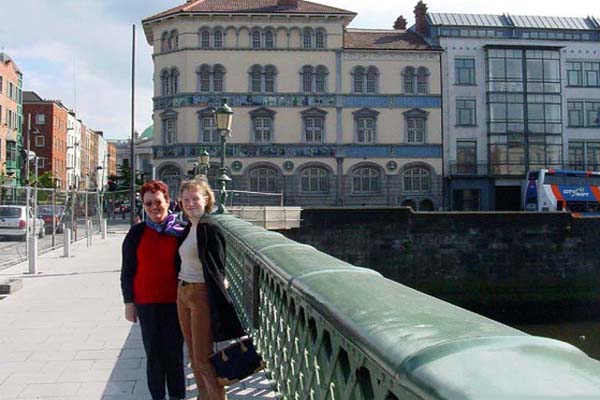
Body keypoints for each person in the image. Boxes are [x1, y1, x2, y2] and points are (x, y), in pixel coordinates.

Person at [176, 179, 245, 400]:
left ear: (206, 200)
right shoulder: (189, 226)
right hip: (183, 292)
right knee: (193, 356)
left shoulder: (210, 227)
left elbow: (217, 267)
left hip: (200, 294)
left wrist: (221, 290)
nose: (190, 203)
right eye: (186, 199)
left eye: (195, 198)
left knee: (204, 358)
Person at [120, 180, 186, 400]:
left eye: (158, 202)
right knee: (153, 355)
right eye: (148, 204)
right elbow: (128, 270)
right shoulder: (136, 233)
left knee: (174, 354)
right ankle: (157, 396)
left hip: (176, 302)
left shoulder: (181, 232)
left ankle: (177, 396)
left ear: (168, 201)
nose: (153, 207)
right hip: (146, 302)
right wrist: (129, 303)